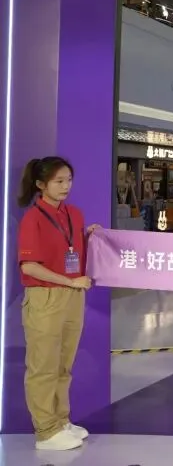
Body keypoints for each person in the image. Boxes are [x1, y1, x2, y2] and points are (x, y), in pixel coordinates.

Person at [17, 156, 99, 451]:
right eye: (59, 181)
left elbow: (70, 249)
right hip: (46, 296)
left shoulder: (74, 214)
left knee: (64, 364)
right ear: (41, 185)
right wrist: (69, 281)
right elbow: (29, 266)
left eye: (69, 180)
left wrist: (89, 237)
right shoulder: (33, 218)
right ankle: (45, 431)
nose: (66, 186)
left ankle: (61, 421)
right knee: (43, 367)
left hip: (73, 296)